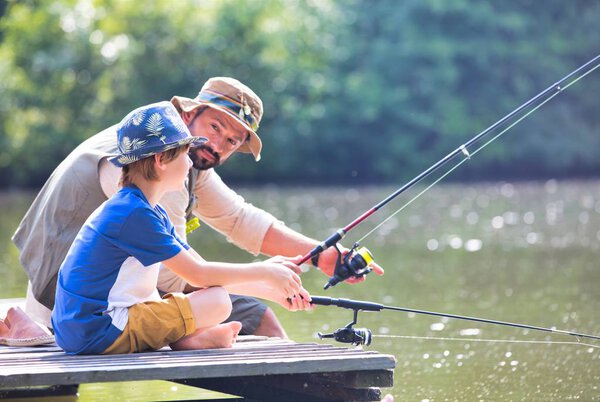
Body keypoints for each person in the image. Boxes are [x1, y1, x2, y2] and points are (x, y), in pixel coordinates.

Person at [11, 77, 383, 341]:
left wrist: (322, 256)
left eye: (233, 141)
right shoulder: (158, 168)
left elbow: (240, 219)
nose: (218, 144)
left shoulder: (175, 154)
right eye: (215, 127)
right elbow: (178, 275)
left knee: (242, 310)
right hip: (75, 305)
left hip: (87, 299)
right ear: (190, 114)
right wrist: (266, 282)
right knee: (253, 314)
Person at [51, 101, 312, 355]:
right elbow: (199, 274)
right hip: (96, 331)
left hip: (84, 328)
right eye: (186, 153)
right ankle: (189, 339)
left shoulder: (146, 209)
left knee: (214, 297)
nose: (190, 164)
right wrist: (264, 271)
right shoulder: (134, 215)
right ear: (162, 158)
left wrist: (271, 286)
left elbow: (199, 272)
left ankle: (190, 338)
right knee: (218, 302)